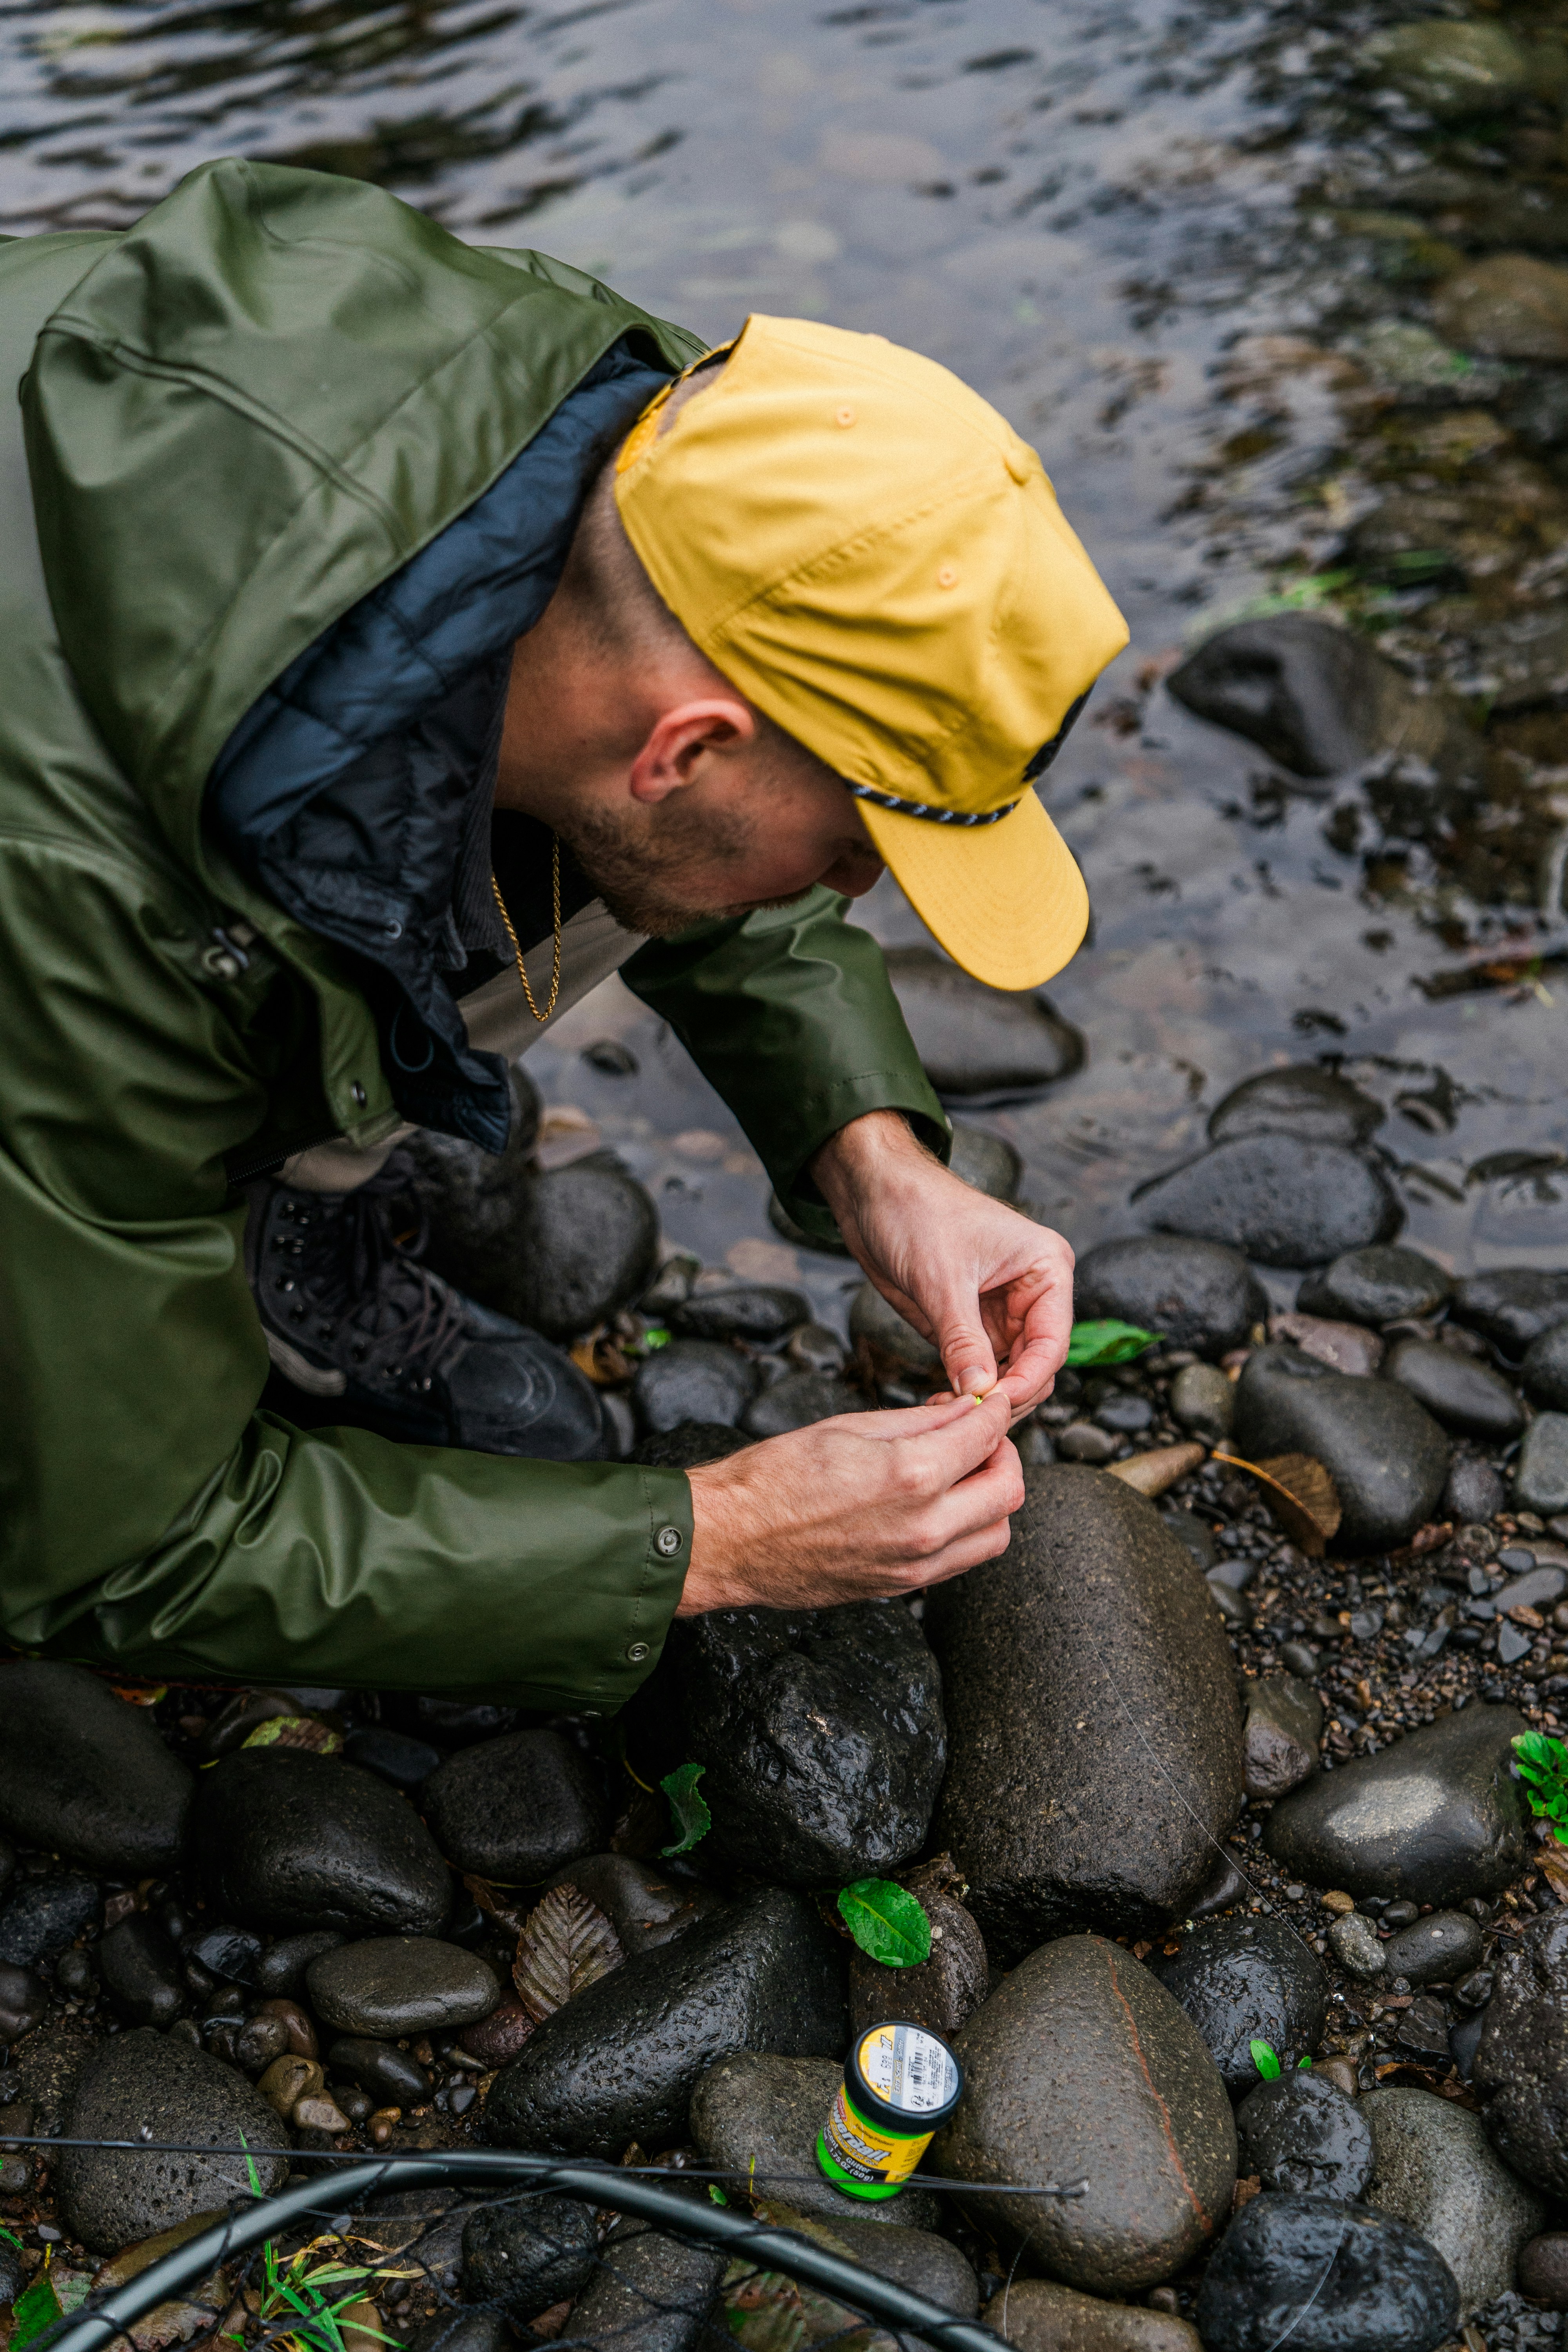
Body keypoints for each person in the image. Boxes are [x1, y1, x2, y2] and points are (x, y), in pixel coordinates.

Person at [0, 158, 1127, 1708]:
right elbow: (108, 1555)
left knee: (632, 866)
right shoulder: (73, 888)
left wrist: (871, 1155)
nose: (862, 893)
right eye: (863, 838)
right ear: (683, 744)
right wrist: (707, 1538)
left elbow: (696, 833)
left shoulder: (663, 439)